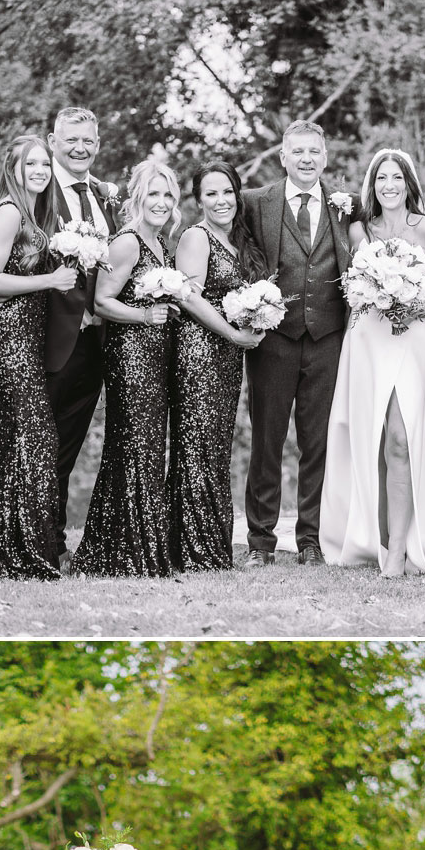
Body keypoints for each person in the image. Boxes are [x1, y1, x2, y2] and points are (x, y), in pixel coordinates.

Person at [320, 148, 425, 576]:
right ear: (372, 186)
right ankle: (367, 535)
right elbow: (351, 285)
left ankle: (399, 548)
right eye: (381, 179)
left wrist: (413, 305)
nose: (389, 186)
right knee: (368, 438)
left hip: (410, 339)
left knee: (401, 438)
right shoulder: (361, 232)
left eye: (396, 177)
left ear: (409, 183)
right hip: (368, 339)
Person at [240, 121, 357, 569]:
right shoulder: (255, 203)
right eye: (298, 152)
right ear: (283, 157)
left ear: (325, 159)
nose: (307, 159)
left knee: (319, 442)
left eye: (314, 152)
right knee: (267, 442)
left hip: (328, 337)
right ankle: (261, 542)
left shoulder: (346, 206)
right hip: (275, 340)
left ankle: (311, 539)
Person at [0, 133, 75, 580]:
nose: (39, 171)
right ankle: (19, 552)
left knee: (10, 444)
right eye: (31, 164)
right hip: (5, 338)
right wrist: (49, 281)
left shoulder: (36, 213)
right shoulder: (10, 212)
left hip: (27, 339)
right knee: (35, 440)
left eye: (44, 165)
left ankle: (3, 551)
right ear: (13, 169)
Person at [72, 159, 183, 578]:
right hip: (131, 356)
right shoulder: (129, 242)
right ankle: (128, 553)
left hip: (157, 358)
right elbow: (101, 301)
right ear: (137, 197)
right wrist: (143, 317)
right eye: (153, 193)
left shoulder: (161, 244)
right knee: (134, 449)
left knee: (146, 451)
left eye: (167, 194)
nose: (161, 201)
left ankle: (128, 548)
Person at [167, 161, 266, 572]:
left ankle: (208, 546)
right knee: (196, 449)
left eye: (227, 191)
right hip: (199, 354)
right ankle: (193, 551)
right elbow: (189, 297)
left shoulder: (236, 239)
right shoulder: (196, 236)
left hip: (227, 358)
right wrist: (232, 333)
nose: (221, 200)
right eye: (211, 193)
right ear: (198, 200)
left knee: (214, 449)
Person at [43, 106, 120, 562]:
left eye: (88, 141)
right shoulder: (39, 188)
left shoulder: (102, 194)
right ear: (53, 141)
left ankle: (54, 536)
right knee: (40, 439)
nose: (80, 148)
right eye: (71, 140)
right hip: (49, 336)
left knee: (68, 444)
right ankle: (37, 536)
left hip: (95, 341)